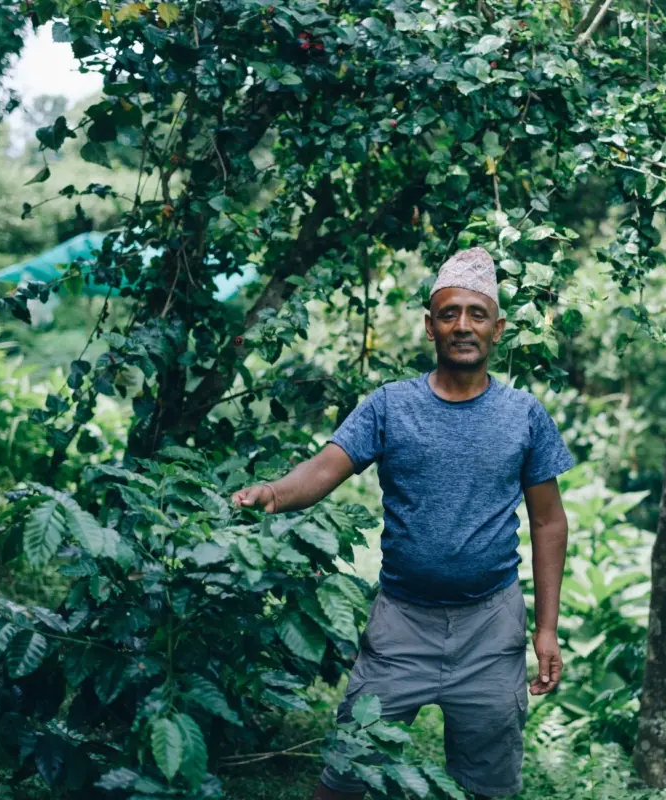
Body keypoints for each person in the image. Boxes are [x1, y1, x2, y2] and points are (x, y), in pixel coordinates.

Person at [231, 247, 574, 799]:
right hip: (401, 624)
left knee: (486, 787)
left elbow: (549, 523)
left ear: (498, 328)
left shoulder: (523, 415)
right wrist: (270, 493)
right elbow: (324, 469)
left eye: (476, 314)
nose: (463, 325)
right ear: (430, 325)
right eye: (449, 313)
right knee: (346, 774)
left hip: (491, 625)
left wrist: (547, 629)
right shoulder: (391, 406)